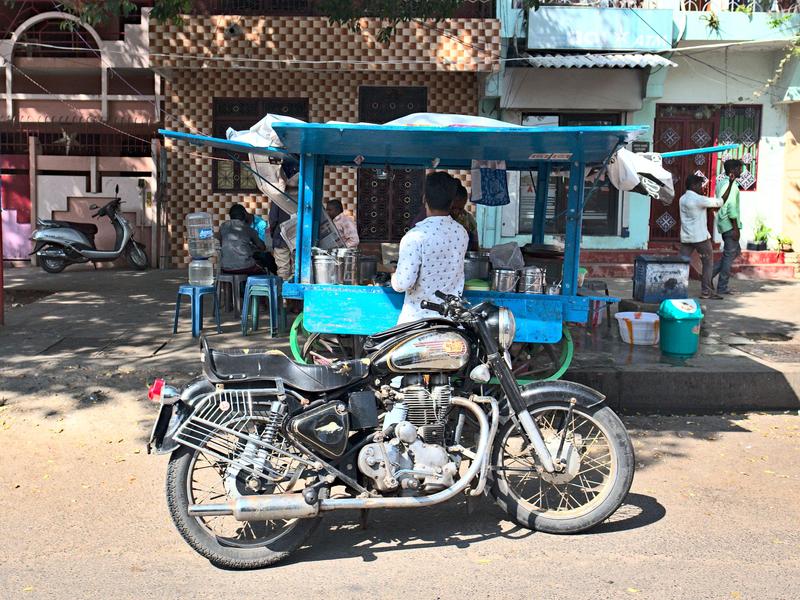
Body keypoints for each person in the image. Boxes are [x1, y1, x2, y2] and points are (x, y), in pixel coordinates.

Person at [391, 172, 469, 324]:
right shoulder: (461, 233)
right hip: (450, 322)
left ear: (424, 199)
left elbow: (403, 283)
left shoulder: (414, 236)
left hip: (417, 323)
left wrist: (393, 277)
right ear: (452, 201)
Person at [678, 174, 723, 300]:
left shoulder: (682, 199)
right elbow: (719, 202)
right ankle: (706, 291)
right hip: (701, 238)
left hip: (686, 237)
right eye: (699, 185)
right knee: (708, 263)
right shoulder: (699, 199)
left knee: (681, 263)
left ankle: (677, 288)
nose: (701, 188)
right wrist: (729, 185)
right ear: (694, 185)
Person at [713, 159, 744, 295]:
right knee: (729, 254)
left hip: (723, 223)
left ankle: (708, 275)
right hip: (730, 225)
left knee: (733, 252)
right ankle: (722, 286)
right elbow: (731, 207)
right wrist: (736, 228)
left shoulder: (720, 183)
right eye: (739, 169)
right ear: (733, 171)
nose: (741, 171)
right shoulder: (732, 186)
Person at [218, 204, 267, 274]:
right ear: (244, 214)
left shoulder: (223, 226)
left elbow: (221, 243)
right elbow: (262, 247)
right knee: (263, 271)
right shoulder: (248, 228)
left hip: (225, 267)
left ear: (230, 216)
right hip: (245, 266)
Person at [450, 183, 480, 252]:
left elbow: (475, 247)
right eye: (453, 208)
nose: (456, 212)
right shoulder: (442, 218)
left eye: (460, 208)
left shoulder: (469, 220)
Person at [269, 201, 293, 280]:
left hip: (280, 238)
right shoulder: (304, 195)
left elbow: (273, 219)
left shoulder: (277, 197)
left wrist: (273, 232)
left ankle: (283, 290)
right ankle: (296, 290)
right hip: (298, 238)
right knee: (297, 269)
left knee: (282, 269)